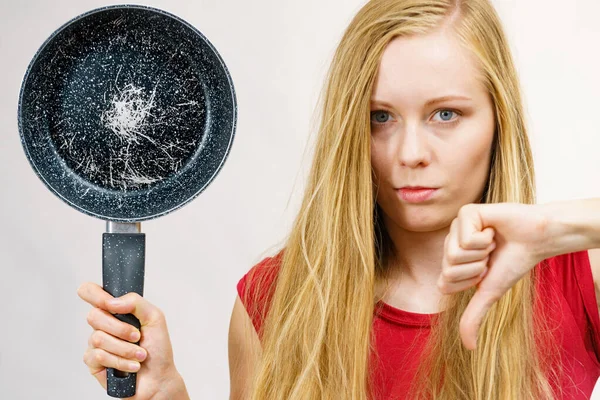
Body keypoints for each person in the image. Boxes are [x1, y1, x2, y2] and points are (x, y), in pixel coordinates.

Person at [77, 0, 600, 399]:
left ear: (498, 120)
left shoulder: (580, 276)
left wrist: (560, 227)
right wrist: (168, 393)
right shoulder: (274, 300)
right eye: (380, 117)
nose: (410, 153)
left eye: (446, 114)